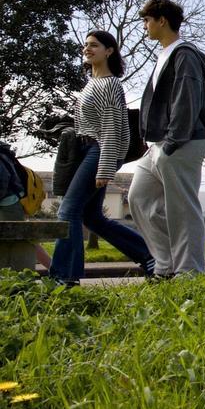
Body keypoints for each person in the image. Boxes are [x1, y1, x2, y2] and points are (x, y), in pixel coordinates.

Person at [47, 31, 156, 286]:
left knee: (68, 210)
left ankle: (64, 277)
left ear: (109, 51)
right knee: (91, 217)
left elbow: (112, 129)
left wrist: (105, 168)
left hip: (99, 151)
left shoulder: (110, 84)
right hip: (85, 150)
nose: (87, 49)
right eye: (85, 45)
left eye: (94, 45)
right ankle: (150, 257)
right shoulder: (90, 84)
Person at [128, 0, 205, 278]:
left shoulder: (184, 53)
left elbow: (186, 101)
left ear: (162, 20)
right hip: (158, 144)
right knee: (139, 199)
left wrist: (173, 142)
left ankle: (189, 274)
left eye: (147, 20)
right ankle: (165, 264)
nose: (145, 26)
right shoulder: (164, 55)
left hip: (181, 142)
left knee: (183, 210)